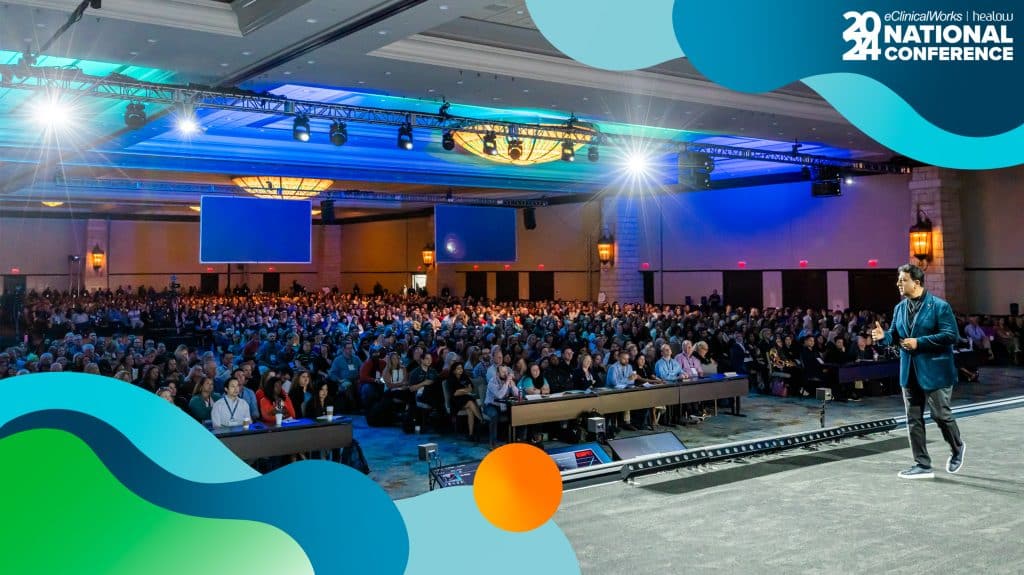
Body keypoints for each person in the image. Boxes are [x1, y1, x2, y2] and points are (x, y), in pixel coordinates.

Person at [871, 264, 965, 479]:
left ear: (917, 282)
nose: (898, 284)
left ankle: (957, 447)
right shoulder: (900, 308)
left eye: (903, 280)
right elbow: (894, 335)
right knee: (913, 419)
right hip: (909, 371)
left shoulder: (939, 306)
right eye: (898, 280)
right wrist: (882, 337)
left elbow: (951, 335)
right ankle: (922, 464)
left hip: (936, 371)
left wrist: (919, 343)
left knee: (941, 415)